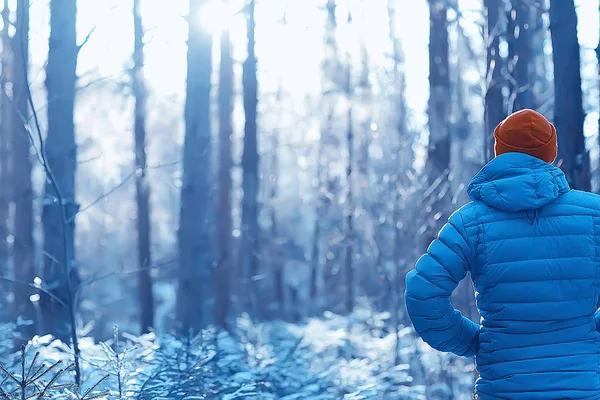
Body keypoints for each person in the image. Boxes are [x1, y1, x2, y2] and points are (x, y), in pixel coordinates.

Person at [405, 109, 600, 399]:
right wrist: (589, 332)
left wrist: (472, 341)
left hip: (503, 389)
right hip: (582, 389)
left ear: (500, 152)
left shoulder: (469, 222)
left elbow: (423, 294)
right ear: (551, 154)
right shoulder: (594, 214)